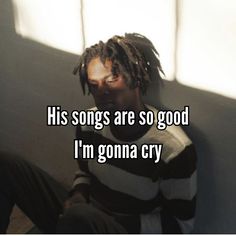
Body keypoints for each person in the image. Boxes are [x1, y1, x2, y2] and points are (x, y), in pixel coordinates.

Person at [0, 33, 197, 234]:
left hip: (125, 229)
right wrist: (79, 193)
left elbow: (180, 226)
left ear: (136, 78)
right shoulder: (89, 124)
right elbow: (85, 173)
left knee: (80, 219)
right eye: (94, 85)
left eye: (112, 79)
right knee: (5, 165)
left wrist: (109, 222)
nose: (102, 92)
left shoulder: (174, 149)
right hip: (86, 218)